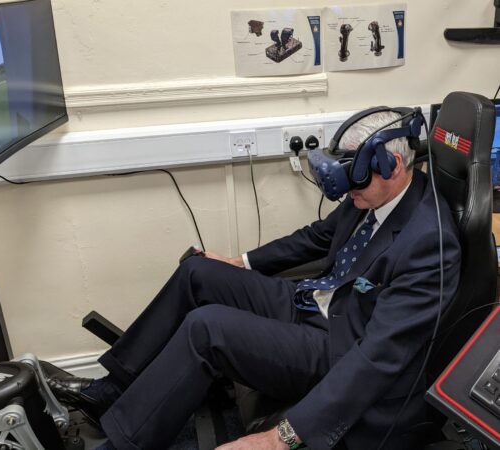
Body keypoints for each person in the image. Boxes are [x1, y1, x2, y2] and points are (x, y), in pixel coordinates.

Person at [48, 110, 461, 450]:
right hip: (311, 299)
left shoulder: (429, 242)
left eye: (355, 175)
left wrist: (281, 439)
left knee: (206, 328)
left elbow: (378, 358)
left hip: (336, 344)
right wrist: (241, 262)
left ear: (393, 166)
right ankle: (112, 390)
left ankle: (121, 444)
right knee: (199, 272)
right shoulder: (370, 194)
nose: (344, 187)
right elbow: (318, 237)